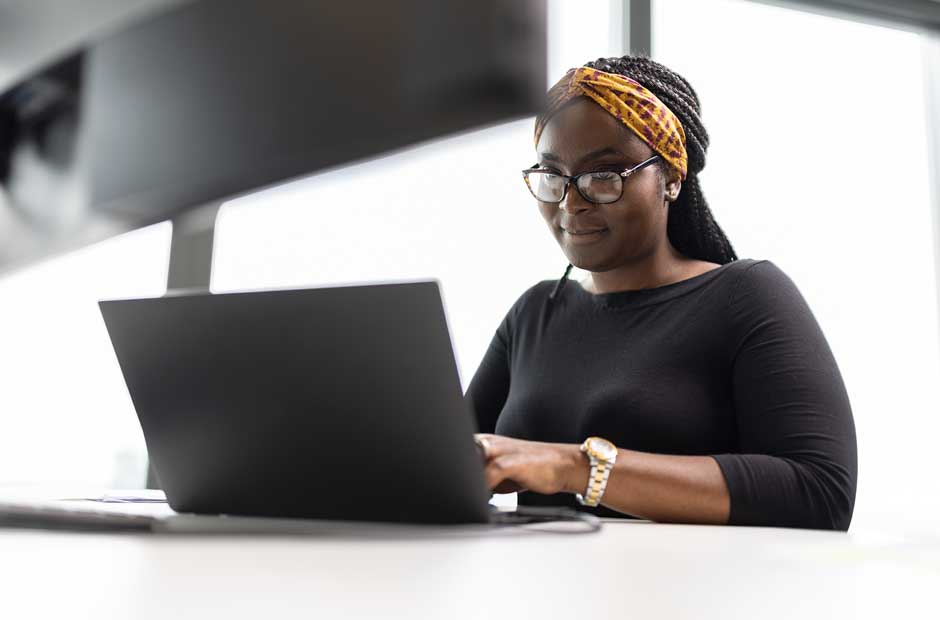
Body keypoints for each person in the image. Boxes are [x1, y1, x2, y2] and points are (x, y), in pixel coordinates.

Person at [466, 55, 858, 531]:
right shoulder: (536, 312)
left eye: (604, 176)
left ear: (672, 176)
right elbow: (448, 460)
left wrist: (575, 467)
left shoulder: (745, 295)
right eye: (553, 177)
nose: (572, 203)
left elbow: (819, 490)